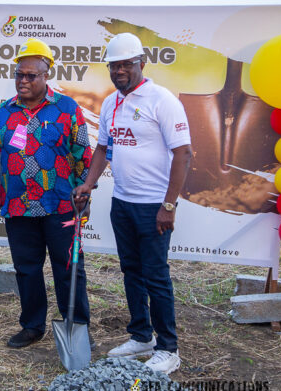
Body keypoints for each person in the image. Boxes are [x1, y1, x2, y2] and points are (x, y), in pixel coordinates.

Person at [0, 38, 92, 348]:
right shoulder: (3, 113)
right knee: (27, 270)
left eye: (31, 75)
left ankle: (77, 328)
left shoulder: (67, 109)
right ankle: (32, 327)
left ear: (47, 75)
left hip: (61, 205)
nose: (23, 80)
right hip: (19, 208)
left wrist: (85, 193)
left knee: (69, 269)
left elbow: (84, 154)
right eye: (19, 74)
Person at [74, 33, 192, 375]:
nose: (120, 70)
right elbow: (102, 150)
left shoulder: (162, 100)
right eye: (115, 65)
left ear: (142, 63)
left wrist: (168, 206)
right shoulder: (111, 102)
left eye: (127, 64)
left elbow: (183, 153)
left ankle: (168, 348)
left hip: (153, 205)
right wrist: (88, 184)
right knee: (131, 272)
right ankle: (141, 336)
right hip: (122, 203)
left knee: (156, 276)